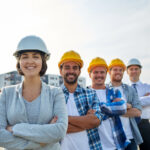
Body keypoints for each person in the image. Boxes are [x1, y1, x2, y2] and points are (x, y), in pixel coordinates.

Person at [0, 35, 68, 150]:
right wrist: (41, 142)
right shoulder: (6, 93)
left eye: (36, 57)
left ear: (43, 61)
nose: (30, 61)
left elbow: (59, 131)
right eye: (25, 57)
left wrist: (16, 128)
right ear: (19, 61)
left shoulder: (56, 93)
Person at [58, 50, 103, 150]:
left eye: (75, 68)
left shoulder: (91, 94)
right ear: (61, 71)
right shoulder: (53, 95)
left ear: (79, 71)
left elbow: (96, 121)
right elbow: (52, 128)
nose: (71, 71)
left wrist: (65, 118)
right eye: (67, 67)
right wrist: (86, 122)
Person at [88, 57, 129, 150]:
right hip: (92, 146)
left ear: (106, 74)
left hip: (114, 145)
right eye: (95, 72)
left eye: (102, 72)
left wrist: (96, 110)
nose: (99, 75)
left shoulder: (114, 92)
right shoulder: (84, 93)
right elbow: (84, 117)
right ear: (90, 74)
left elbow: (122, 108)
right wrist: (111, 109)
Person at [108, 58, 143, 150]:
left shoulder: (130, 89)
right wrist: (125, 106)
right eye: (115, 69)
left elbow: (138, 112)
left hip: (130, 139)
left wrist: (114, 108)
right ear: (109, 72)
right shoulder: (105, 90)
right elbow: (104, 110)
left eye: (120, 70)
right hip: (112, 139)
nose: (118, 72)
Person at [127, 58, 150, 150]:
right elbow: (122, 104)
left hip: (144, 124)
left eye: (136, 69)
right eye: (131, 69)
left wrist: (131, 102)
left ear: (140, 71)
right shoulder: (124, 88)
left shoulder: (147, 86)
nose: (134, 71)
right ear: (127, 71)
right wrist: (144, 98)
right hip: (129, 124)